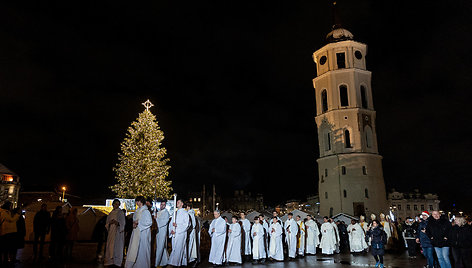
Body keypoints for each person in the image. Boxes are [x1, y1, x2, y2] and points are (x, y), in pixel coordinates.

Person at [125, 196, 152, 268]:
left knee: (142, 250)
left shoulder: (146, 211)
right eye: (136, 201)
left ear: (141, 201)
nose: (137, 203)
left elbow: (149, 222)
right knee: (134, 249)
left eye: (138, 201)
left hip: (143, 233)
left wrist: (138, 223)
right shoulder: (137, 211)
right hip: (136, 232)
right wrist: (134, 224)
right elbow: (134, 220)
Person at [168, 199, 190, 267]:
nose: (177, 203)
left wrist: (177, 226)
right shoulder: (175, 213)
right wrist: (171, 230)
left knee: (179, 248)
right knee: (175, 248)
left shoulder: (185, 213)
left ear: (182, 204)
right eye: (177, 202)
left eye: (178, 202)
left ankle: (175, 264)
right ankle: (181, 262)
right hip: (175, 234)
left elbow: (186, 224)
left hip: (181, 234)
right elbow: (171, 223)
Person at [104, 199, 125, 267]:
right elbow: (107, 223)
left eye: (118, 204)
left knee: (117, 246)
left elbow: (123, 223)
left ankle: (117, 261)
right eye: (115, 204)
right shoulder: (110, 213)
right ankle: (110, 260)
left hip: (117, 232)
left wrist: (117, 223)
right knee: (110, 245)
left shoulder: (120, 212)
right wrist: (110, 223)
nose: (117, 205)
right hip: (111, 232)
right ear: (113, 204)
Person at [154, 199, 169, 267]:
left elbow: (163, 222)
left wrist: (156, 219)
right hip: (157, 232)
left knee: (160, 247)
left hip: (162, 232)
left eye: (163, 205)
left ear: (165, 206)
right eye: (161, 204)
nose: (162, 206)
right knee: (160, 247)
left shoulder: (166, 213)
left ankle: (157, 263)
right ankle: (164, 261)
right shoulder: (158, 212)